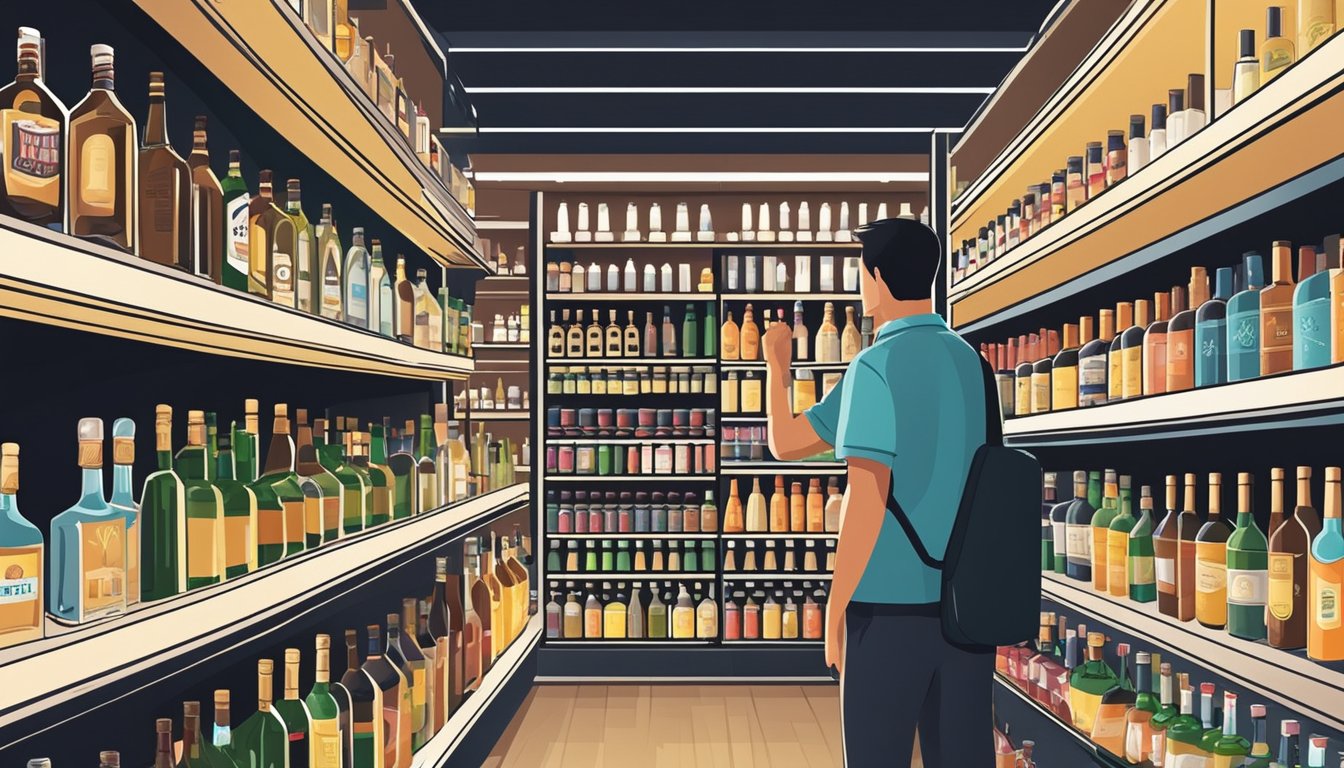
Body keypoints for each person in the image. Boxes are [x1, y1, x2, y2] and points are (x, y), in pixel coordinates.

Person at [762, 217, 991, 767]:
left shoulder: (874, 366)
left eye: (863, 272)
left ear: (880, 278)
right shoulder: (974, 364)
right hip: (966, 611)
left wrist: (776, 366)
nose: (861, 284)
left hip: (889, 615)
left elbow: (850, 489)